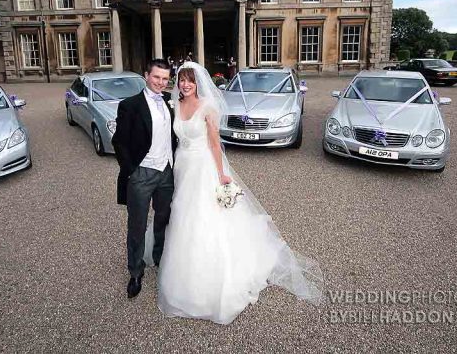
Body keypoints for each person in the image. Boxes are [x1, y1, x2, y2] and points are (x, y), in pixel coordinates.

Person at [151, 62, 323, 324]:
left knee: (202, 216)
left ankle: (210, 276)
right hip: (182, 167)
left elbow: (214, 144)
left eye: (190, 81)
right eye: (182, 80)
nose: (185, 85)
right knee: (181, 213)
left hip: (202, 167)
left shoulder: (208, 107)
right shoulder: (174, 103)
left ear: (198, 83)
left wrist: (221, 175)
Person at [111, 59, 177, 299]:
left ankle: (160, 260)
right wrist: (131, 170)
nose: (160, 82)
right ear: (146, 75)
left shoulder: (172, 101)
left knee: (163, 219)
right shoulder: (130, 105)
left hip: (167, 172)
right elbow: (119, 141)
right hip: (142, 173)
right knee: (137, 225)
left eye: (165, 78)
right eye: (156, 77)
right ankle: (135, 272)